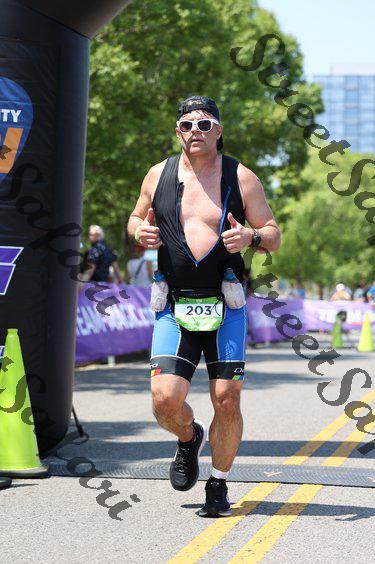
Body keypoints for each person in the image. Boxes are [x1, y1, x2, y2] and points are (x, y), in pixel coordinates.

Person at [127, 95, 281, 517]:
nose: (195, 131)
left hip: (225, 304)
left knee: (226, 398)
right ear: (177, 131)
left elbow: (272, 233)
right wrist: (139, 231)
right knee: (164, 400)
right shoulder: (158, 174)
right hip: (174, 304)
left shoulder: (241, 177)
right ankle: (188, 438)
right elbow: (136, 218)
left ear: (218, 130)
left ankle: (218, 482)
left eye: (205, 124)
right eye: (187, 125)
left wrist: (251, 237)